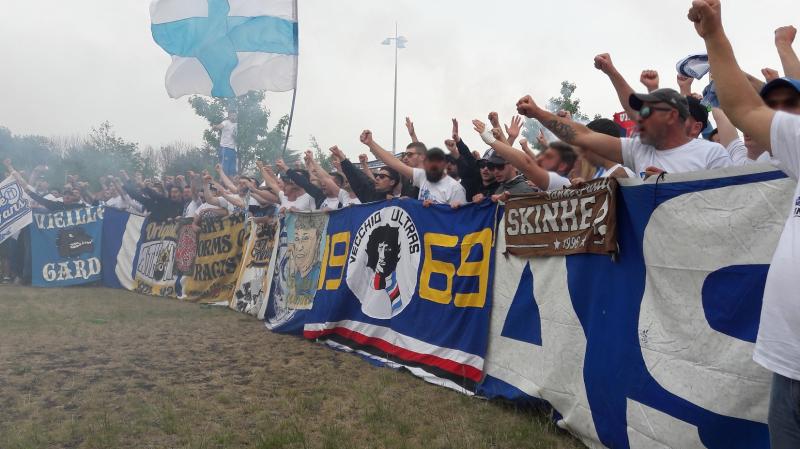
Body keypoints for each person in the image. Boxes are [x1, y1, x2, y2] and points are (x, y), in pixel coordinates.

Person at [687, 1, 800, 447]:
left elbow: (745, 109)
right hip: (788, 364)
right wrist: (715, 35)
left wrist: (716, 35)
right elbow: (744, 109)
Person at [514, 88, 733, 178]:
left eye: (646, 111)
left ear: (671, 116)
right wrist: (538, 113)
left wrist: (670, 184)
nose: (639, 118)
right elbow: (583, 136)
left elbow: (729, 207)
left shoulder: (712, 154)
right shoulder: (638, 149)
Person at [361, 130, 466, 207]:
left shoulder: (455, 188)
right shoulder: (423, 176)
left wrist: (436, 209)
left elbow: (461, 220)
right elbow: (394, 163)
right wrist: (371, 143)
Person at [473, 121, 572, 192]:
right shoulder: (500, 190)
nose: (539, 158)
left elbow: (526, 164)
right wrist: (500, 137)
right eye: (492, 167)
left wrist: (492, 140)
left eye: (500, 166)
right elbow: (516, 160)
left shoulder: (562, 183)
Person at [329, 146, 402, 203]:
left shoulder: (398, 203)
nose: (377, 178)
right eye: (377, 176)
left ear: (392, 182)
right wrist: (342, 158)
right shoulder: (369, 194)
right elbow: (358, 176)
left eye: (382, 177)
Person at [213, 110, 238, 177]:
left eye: (235, 115)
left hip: (233, 149)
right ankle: (222, 181)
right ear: (229, 116)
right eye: (232, 115)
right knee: (224, 168)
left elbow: (237, 137)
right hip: (225, 148)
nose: (234, 117)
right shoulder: (226, 122)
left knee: (232, 170)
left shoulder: (236, 125)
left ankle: (230, 182)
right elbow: (220, 126)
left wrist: (235, 136)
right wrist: (215, 126)